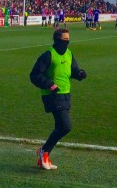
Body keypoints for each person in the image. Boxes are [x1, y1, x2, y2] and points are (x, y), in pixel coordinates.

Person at [29, 28, 87, 170]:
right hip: (53, 96)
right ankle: (43, 151)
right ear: (57, 40)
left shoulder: (69, 53)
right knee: (65, 126)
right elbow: (34, 75)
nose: (67, 42)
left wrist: (79, 73)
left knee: (61, 127)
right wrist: (49, 84)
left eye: (68, 40)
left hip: (66, 94)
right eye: (64, 40)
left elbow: (73, 70)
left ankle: (44, 155)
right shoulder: (48, 55)